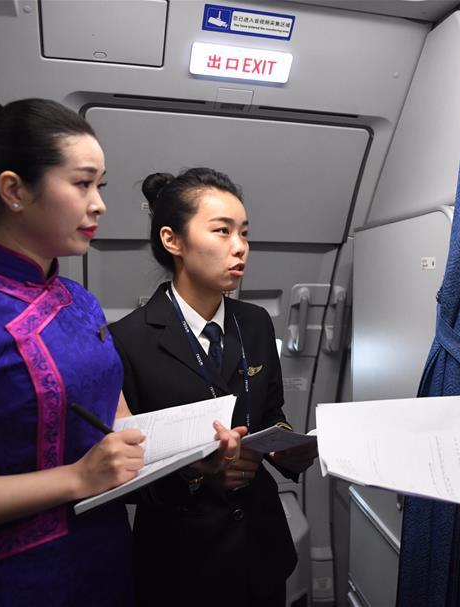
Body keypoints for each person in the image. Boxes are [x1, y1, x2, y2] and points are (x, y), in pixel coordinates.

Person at [0, 100, 242, 606]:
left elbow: (119, 431)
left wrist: (194, 459)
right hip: (18, 579)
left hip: (106, 557)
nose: (99, 204)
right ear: (14, 191)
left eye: (100, 186)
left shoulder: (79, 303)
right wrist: (75, 478)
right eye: (82, 184)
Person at [109, 168, 318, 607]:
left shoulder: (255, 323)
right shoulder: (128, 340)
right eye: (222, 231)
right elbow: (122, 473)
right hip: (180, 563)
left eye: (244, 233)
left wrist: (288, 448)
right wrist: (196, 474)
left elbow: (271, 412)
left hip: (261, 551)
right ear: (173, 241)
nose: (239, 246)